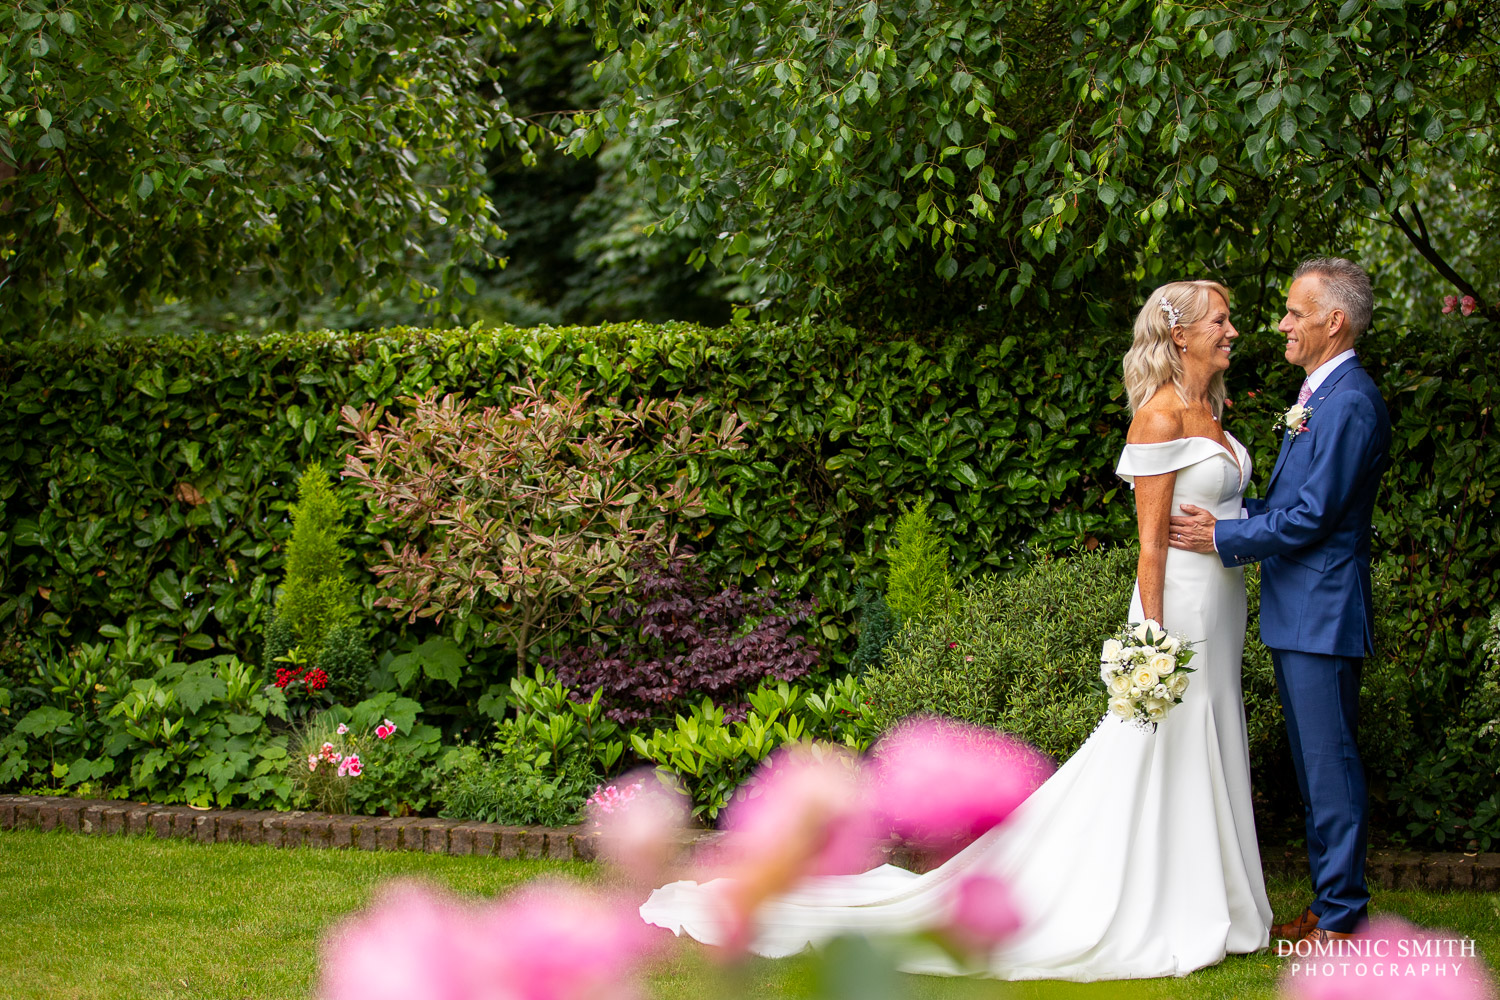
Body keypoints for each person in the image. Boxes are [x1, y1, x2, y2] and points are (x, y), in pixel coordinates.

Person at [639, 279, 1273, 981]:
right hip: (1177, 612)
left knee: (1209, 737)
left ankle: (1215, 894)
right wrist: (1150, 642)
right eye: (1221, 320)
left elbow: (1229, 510)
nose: (1234, 330)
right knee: (1161, 748)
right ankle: (1155, 902)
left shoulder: (1211, 408)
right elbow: (1149, 545)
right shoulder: (1158, 417)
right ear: (1180, 335)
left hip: (1221, 601)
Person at [1168, 258, 1390, 944]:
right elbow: (1292, 505)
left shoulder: (1349, 400)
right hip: (1301, 611)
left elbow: (1314, 517)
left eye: (1296, 313)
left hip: (1322, 612)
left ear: (1335, 321)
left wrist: (1225, 535)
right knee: (1315, 768)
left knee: (1329, 770)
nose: (1282, 324)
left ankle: (1341, 915)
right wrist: (1238, 513)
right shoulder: (1318, 396)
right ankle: (1330, 908)